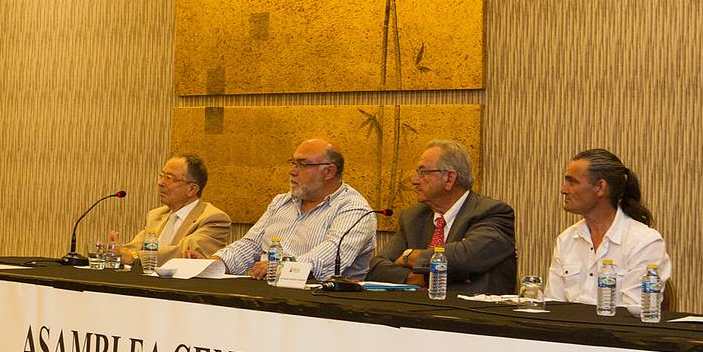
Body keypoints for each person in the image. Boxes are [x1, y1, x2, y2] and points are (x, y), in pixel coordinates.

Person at [211, 138, 376, 280]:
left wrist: (282, 268)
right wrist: (214, 263)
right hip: (268, 294)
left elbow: (329, 257)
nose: (292, 171)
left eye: (302, 165)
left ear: (328, 171)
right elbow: (251, 245)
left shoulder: (355, 209)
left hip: (322, 304)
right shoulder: (282, 201)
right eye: (293, 163)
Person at [366, 140, 519, 293]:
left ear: (449, 179)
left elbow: (464, 258)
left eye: (422, 172)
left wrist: (409, 256)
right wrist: (417, 278)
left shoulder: (493, 213)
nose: (414, 180)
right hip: (418, 311)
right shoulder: (413, 217)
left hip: (474, 313)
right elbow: (377, 267)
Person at [543, 148, 672, 314]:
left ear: (600, 187)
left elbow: (635, 312)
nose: (563, 189)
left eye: (572, 181)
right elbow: (553, 305)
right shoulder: (566, 239)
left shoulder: (645, 241)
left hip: (618, 337)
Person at [120, 154, 232, 263]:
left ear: (192, 189)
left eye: (169, 178)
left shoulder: (214, 218)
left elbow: (183, 252)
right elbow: (135, 247)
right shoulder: (156, 215)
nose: (160, 183)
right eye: (161, 175)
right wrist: (115, 251)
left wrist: (136, 256)